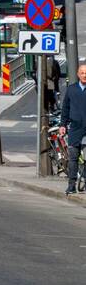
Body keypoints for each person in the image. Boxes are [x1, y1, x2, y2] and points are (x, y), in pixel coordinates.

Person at [59, 61, 86, 196]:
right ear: (78, 74)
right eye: (82, 73)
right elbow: (65, 108)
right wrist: (63, 125)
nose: (84, 75)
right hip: (75, 128)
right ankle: (71, 185)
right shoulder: (72, 89)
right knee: (73, 158)